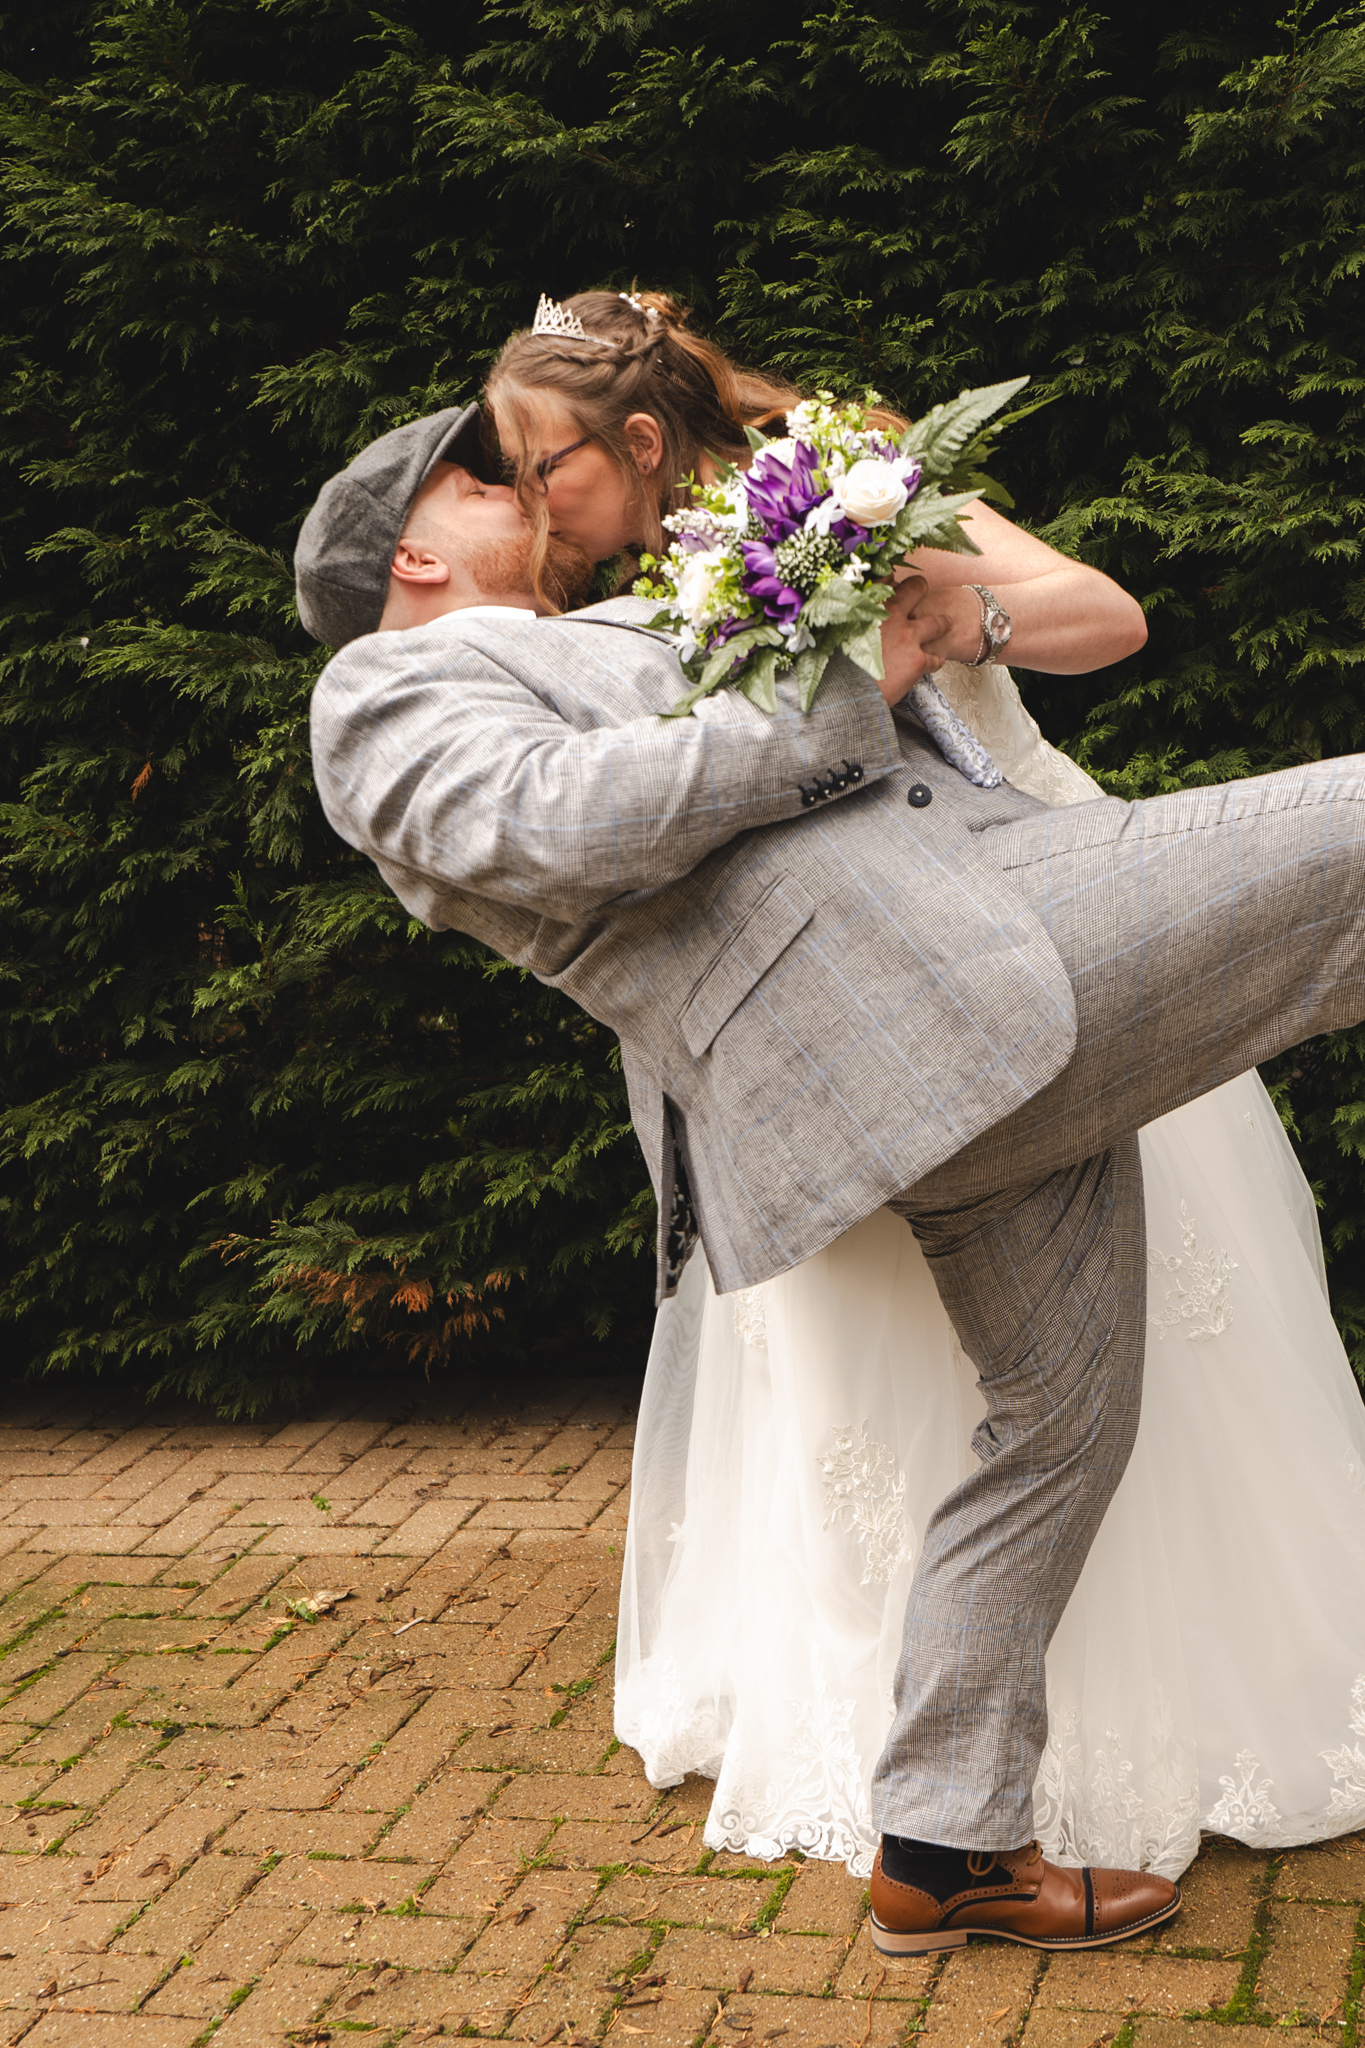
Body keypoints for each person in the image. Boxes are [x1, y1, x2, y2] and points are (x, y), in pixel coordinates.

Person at [300, 288, 1365, 1960]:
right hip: (968, 968)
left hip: (964, 1020)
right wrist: (867, 663)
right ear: (407, 563)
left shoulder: (608, 611)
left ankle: (944, 1851)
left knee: (1059, 1424)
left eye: (508, 456)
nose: (499, 481)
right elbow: (576, 822)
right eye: (464, 478)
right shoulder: (387, 696)